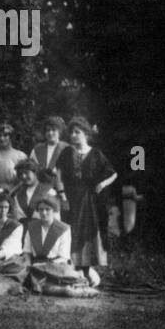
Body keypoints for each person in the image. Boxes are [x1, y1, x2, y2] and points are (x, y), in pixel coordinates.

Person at [58, 117, 116, 286]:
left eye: (78, 132)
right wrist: (61, 194)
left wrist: (102, 183)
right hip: (70, 197)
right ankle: (71, 272)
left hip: (89, 200)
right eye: (72, 133)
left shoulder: (96, 153)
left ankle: (85, 271)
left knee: (87, 233)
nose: (74, 135)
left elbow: (113, 173)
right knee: (70, 231)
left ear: (86, 134)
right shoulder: (67, 153)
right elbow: (59, 174)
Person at [23, 196, 96, 296]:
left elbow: (63, 257)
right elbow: (27, 252)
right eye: (41, 209)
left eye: (47, 209)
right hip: (35, 265)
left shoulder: (63, 229)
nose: (44, 213)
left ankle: (77, 282)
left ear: (54, 210)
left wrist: (44, 266)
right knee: (27, 278)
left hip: (56, 265)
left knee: (59, 277)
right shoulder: (32, 227)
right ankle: (67, 290)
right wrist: (28, 265)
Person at [31, 115, 69, 205]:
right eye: (48, 130)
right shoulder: (37, 149)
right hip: (41, 189)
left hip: (62, 190)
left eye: (53, 130)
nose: (50, 133)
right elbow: (31, 169)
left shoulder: (67, 148)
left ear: (59, 131)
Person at [0, 123, 26, 188]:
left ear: (11, 137)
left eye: (5, 135)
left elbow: (24, 179)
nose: (2, 139)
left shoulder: (20, 156)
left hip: (15, 192)